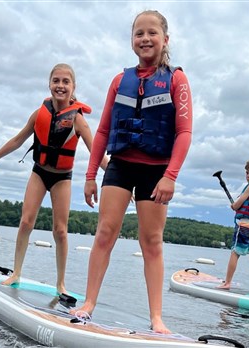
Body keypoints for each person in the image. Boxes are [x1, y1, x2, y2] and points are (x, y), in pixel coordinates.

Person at [70, 10, 193, 334]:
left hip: (156, 173)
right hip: (121, 167)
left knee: (151, 242)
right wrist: (90, 175)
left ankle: (156, 318)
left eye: (152, 32)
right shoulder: (118, 81)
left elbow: (184, 132)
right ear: (132, 40)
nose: (145, 38)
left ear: (165, 39)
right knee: (105, 233)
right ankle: (88, 305)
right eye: (139, 33)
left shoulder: (176, 80)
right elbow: (102, 131)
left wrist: (171, 176)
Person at [0, 63, 107, 297]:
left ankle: (61, 284)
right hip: (39, 172)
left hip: (62, 179)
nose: (60, 86)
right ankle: (16, 272)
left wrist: (119, 177)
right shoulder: (39, 114)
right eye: (56, 81)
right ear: (49, 84)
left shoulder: (78, 120)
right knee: (26, 222)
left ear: (73, 87)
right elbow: (17, 140)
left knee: (60, 231)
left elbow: (96, 153)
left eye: (65, 82)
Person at [217, 157, 249, 293]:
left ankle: (227, 282)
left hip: (245, 226)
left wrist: (234, 206)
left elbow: (237, 204)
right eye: (246, 173)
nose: (248, 176)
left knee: (235, 252)